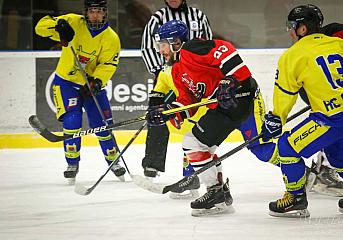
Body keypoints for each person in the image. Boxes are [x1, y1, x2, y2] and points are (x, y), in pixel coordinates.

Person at [147, 20, 281, 216]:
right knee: (193, 142)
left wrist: (229, 80)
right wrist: (167, 112)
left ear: (176, 42)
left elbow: (225, 49)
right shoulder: (176, 71)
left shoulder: (191, 49)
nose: (161, 51)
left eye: (163, 45)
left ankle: (298, 168)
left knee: (261, 149)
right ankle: (216, 193)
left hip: (245, 100)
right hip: (222, 108)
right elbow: (188, 102)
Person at [261, 4, 343, 217]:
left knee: (287, 147)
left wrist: (276, 118)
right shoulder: (338, 43)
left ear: (302, 29)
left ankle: (295, 198)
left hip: (331, 118)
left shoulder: (292, 55)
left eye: (292, 26)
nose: (290, 31)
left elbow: (285, 94)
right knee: (341, 159)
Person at [35, 0, 126, 185]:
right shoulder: (73, 21)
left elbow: (108, 64)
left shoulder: (111, 38)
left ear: (105, 13)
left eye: (99, 11)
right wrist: (57, 26)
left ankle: (114, 161)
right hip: (66, 83)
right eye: (92, 11)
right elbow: (40, 28)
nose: (95, 15)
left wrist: (97, 80)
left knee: (102, 125)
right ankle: (72, 164)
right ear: (86, 12)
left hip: (91, 85)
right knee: (72, 121)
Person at [140, 0, 212, 182]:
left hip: (191, 76)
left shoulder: (198, 16)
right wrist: (160, 71)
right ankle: (152, 162)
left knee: (190, 127)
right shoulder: (158, 17)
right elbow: (148, 46)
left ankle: (190, 174)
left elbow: (208, 44)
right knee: (157, 114)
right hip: (165, 73)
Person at [302, 3, 343, 197]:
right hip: (319, 89)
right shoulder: (334, 32)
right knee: (338, 125)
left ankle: (322, 169)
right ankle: (324, 170)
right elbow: (306, 46)